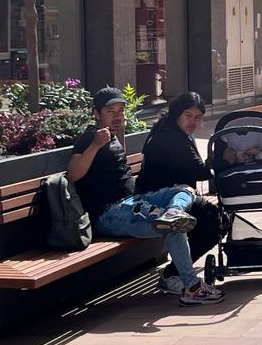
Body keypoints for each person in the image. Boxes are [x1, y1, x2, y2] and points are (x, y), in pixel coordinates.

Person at [69, 87, 221, 305]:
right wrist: (94, 145)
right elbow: (73, 173)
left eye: (121, 110)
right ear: (96, 113)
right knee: (173, 226)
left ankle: (173, 211)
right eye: (111, 111)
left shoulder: (111, 137)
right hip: (109, 214)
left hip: (133, 203)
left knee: (184, 191)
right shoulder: (89, 138)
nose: (117, 115)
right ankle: (192, 288)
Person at [135, 93, 223, 291]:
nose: (193, 121)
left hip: (171, 195)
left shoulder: (170, 129)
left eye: (198, 117)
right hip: (158, 199)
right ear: (177, 114)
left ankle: (178, 270)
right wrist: (221, 159)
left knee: (210, 218)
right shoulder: (171, 136)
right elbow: (199, 171)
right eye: (188, 115)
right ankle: (172, 274)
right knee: (215, 221)